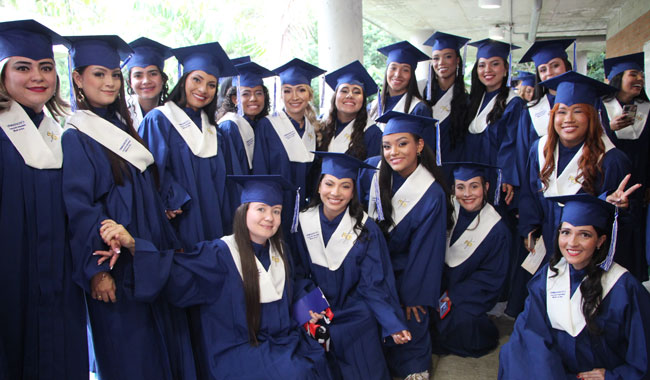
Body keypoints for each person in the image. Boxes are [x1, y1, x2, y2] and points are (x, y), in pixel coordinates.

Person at [97, 175, 334, 380]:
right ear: (243, 211)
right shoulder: (220, 253)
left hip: (282, 340)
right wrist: (134, 246)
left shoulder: (280, 251)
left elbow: (293, 285)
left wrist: (310, 304)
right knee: (295, 372)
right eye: (260, 209)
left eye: (276, 211)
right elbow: (176, 271)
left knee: (317, 358)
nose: (269, 218)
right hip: (238, 350)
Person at [62, 35, 195, 379]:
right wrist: (98, 272)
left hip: (145, 254)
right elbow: (80, 209)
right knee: (129, 355)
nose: (109, 82)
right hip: (115, 265)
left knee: (156, 348)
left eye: (114, 75)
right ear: (77, 78)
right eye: (98, 74)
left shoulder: (121, 125)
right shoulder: (76, 136)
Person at [0, 19, 87, 380]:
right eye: (23, 67)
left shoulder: (59, 132)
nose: (38, 76)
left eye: (46, 68)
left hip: (60, 278)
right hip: (10, 275)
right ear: (3, 74)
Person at [513, 71, 633, 315]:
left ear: (592, 116)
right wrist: (529, 227)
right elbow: (528, 193)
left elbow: (624, 225)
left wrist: (618, 207)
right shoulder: (539, 149)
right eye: (562, 111)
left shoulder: (611, 160)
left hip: (587, 251)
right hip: (548, 240)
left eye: (578, 111)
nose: (568, 119)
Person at [499, 194, 650, 379]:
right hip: (551, 370)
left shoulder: (624, 288)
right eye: (566, 232)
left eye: (584, 234)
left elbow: (641, 353)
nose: (572, 242)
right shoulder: (548, 277)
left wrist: (612, 376)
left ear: (600, 241)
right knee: (512, 353)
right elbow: (530, 333)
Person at [292, 151, 410, 379]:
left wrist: (392, 323)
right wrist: (307, 304)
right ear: (318, 186)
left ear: (353, 191)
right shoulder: (302, 222)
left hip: (352, 309)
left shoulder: (366, 229)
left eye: (345, 186)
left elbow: (373, 283)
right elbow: (296, 272)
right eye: (329, 184)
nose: (335, 193)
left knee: (363, 334)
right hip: (314, 306)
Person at [359, 111, 452, 380]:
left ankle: (413, 365)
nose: (393, 152)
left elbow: (426, 252)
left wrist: (415, 296)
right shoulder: (372, 172)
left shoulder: (432, 193)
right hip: (371, 265)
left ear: (419, 145)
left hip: (407, 271)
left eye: (403, 144)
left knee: (411, 313)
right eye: (387, 146)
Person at [139, 42, 241, 250]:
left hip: (215, 228)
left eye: (211, 85)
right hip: (179, 227)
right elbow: (147, 173)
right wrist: (170, 198)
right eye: (197, 79)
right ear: (184, 79)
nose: (203, 89)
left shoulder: (215, 131)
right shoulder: (159, 120)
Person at [432, 162, 509, 357]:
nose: (467, 194)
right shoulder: (446, 209)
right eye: (460, 187)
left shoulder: (496, 230)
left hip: (465, 295)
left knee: (463, 322)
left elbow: (491, 276)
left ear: (486, 187)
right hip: (434, 286)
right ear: (453, 189)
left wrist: (454, 295)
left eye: (474, 186)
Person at [252, 58, 325, 232]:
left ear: (309, 94)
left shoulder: (312, 129)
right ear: (281, 94)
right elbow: (260, 171)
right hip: (274, 207)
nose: (294, 97)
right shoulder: (267, 126)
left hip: (302, 211)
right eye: (287, 91)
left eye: (301, 90)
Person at [601, 52, 649, 278]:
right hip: (608, 187)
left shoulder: (647, 110)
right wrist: (609, 127)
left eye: (641, 74)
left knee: (635, 242)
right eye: (633, 73)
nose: (639, 78)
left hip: (639, 190)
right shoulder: (600, 108)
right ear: (617, 77)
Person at [463, 38, 524, 208]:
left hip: (498, 180)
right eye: (482, 65)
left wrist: (508, 177)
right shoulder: (473, 101)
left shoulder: (514, 103)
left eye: (495, 64)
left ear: (506, 69)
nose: (487, 70)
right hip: (472, 178)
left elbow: (512, 144)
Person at [515, 39, 574, 189]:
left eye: (555, 65)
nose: (549, 73)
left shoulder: (584, 103)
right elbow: (523, 154)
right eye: (543, 70)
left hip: (577, 178)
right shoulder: (531, 110)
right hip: (540, 182)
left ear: (566, 66)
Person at [421, 31, 471, 182]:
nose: (441, 62)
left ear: (457, 60)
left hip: (454, 172)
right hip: (423, 170)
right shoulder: (423, 97)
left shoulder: (467, 101)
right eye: (436, 58)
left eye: (448, 56)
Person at [368, 41, 434, 146]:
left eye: (405, 70)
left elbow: (426, 148)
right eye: (393, 68)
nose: (398, 74)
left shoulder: (418, 109)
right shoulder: (372, 107)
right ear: (386, 71)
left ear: (412, 75)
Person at [217, 60, 274, 173]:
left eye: (258, 93)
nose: (253, 98)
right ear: (235, 99)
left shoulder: (261, 125)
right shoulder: (230, 126)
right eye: (245, 94)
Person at [318, 60, 382, 159]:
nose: (350, 95)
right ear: (335, 96)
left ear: (363, 100)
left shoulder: (373, 134)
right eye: (344, 90)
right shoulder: (322, 125)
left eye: (357, 92)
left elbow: (373, 172)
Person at [125, 37, 172, 127]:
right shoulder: (120, 114)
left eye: (153, 74)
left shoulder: (174, 114)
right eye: (138, 75)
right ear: (130, 82)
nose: (146, 81)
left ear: (163, 78)